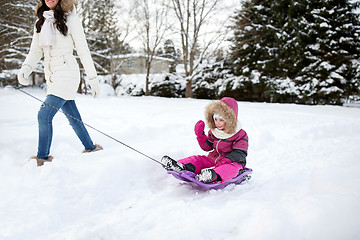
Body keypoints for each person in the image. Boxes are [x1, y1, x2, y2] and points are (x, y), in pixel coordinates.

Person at [17, 0, 102, 166]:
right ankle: (90, 148)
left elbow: (83, 50)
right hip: (53, 76)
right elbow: (36, 50)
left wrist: (93, 79)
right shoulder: (40, 21)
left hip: (67, 74)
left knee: (44, 115)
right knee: (73, 116)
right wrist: (26, 68)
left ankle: (41, 158)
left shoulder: (71, 19)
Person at [161, 97, 248, 183]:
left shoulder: (240, 134)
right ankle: (180, 165)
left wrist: (226, 160)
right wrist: (200, 136)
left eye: (221, 120)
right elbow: (207, 147)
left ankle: (212, 176)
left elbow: (240, 153)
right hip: (214, 158)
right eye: (216, 119)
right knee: (199, 160)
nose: (217, 123)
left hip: (233, 162)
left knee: (229, 169)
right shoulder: (215, 132)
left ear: (230, 120)